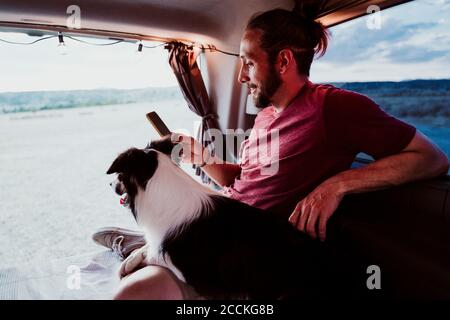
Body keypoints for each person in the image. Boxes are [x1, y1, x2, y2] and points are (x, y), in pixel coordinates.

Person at [94, 8, 450, 299]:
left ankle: (141, 246)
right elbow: (245, 181)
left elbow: (432, 158)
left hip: (245, 255)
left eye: (248, 63)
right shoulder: (265, 115)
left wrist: (337, 185)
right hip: (219, 225)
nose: (240, 78)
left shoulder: (335, 107)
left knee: (130, 296)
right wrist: (200, 157)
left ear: (282, 62)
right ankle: (143, 244)